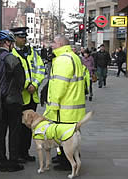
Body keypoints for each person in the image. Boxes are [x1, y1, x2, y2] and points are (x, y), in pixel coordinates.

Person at [44, 35, 87, 171]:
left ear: (61, 44)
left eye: (54, 43)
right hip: (73, 105)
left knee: (65, 136)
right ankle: (62, 156)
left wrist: (53, 105)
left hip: (65, 108)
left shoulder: (63, 60)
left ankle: (66, 162)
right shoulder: (72, 56)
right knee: (69, 136)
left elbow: (59, 86)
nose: (52, 45)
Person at [0, 30, 25, 172]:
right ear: (7, 43)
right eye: (12, 42)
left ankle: (2, 162)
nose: (13, 45)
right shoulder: (12, 59)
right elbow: (21, 81)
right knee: (14, 132)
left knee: (0, 132)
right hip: (12, 100)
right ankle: (13, 162)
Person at [10, 27, 45, 163]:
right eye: (20, 37)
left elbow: (41, 69)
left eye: (25, 37)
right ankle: (17, 154)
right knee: (17, 128)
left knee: (29, 128)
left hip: (32, 97)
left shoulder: (32, 53)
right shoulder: (12, 54)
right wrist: (26, 85)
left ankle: (25, 152)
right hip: (20, 97)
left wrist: (35, 84)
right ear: (15, 39)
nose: (23, 39)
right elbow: (13, 75)